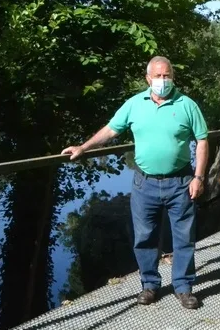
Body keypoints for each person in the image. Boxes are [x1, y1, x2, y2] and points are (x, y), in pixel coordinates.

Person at [62, 56, 209, 309]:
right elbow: (111, 130)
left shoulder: (187, 105)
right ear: (148, 78)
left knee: (184, 237)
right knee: (144, 237)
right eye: (158, 76)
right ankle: (150, 285)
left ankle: (183, 287)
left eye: (167, 75)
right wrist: (83, 147)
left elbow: (203, 141)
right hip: (145, 183)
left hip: (181, 181)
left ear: (173, 77)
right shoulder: (134, 104)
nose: (163, 80)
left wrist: (199, 177)